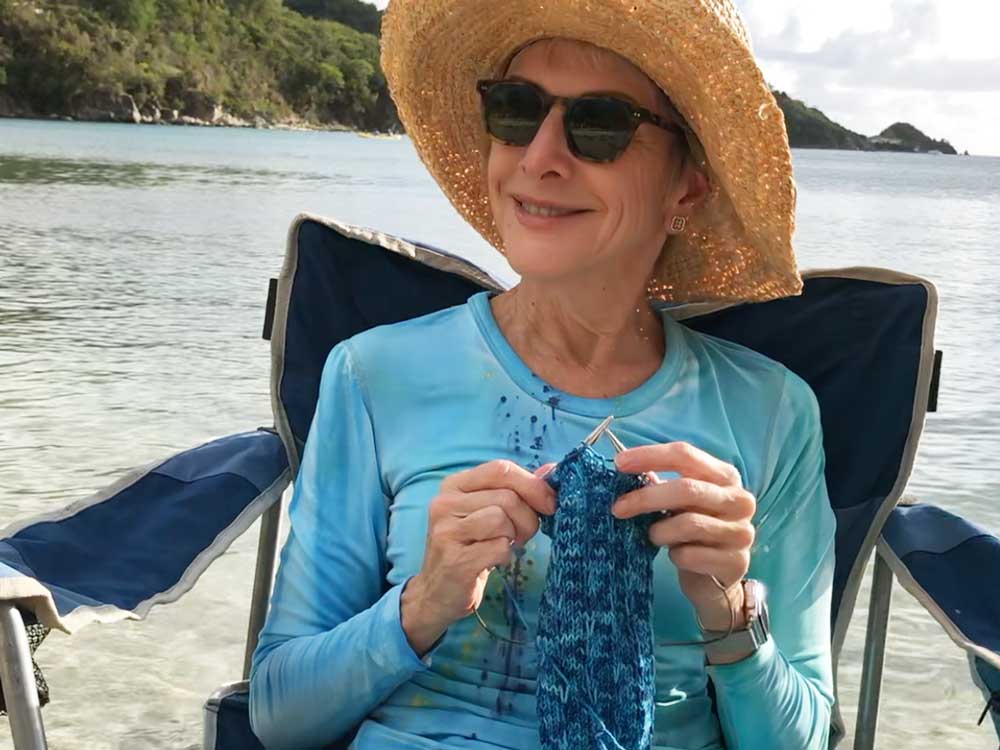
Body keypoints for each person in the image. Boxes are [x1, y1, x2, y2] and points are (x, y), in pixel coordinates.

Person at [248, 1, 836, 748]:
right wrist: (424, 602)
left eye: (600, 125)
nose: (540, 156)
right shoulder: (376, 376)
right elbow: (278, 718)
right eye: (517, 110)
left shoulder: (770, 411)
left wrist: (728, 616)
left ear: (687, 186)